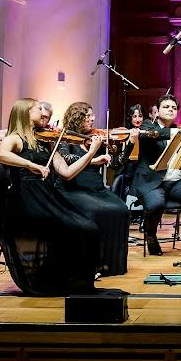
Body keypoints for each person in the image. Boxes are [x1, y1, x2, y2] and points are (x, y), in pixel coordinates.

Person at [0, 98, 101, 295]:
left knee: (89, 226)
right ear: (26, 113)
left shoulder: (45, 140)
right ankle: (59, 277)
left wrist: (91, 153)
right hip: (25, 200)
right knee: (71, 228)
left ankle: (67, 277)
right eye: (38, 109)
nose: (42, 112)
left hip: (45, 196)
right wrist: (31, 165)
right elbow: (1, 155)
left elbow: (67, 172)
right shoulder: (15, 138)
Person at [53, 102, 130, 276]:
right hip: (73, 189)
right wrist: (93, 157)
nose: (93, 118)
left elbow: (116, 164)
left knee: (121, 209)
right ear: (77, 118)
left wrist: (130, 143)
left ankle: (110, 263)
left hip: (96, 189)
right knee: (97, 212)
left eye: (92, 115)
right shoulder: (65, 139)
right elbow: (69, 159)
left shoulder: (94, 138)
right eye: (88, 116)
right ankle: (94, 262)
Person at [127, 95, 181, 259]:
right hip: (151, 182)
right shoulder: (148, 125)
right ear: (157, 111)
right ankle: (150, 234)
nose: (171, 109)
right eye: (166, 107)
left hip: (174, 182)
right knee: (156, 204)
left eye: (174, 108)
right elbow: (153, 134)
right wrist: (176, 132)